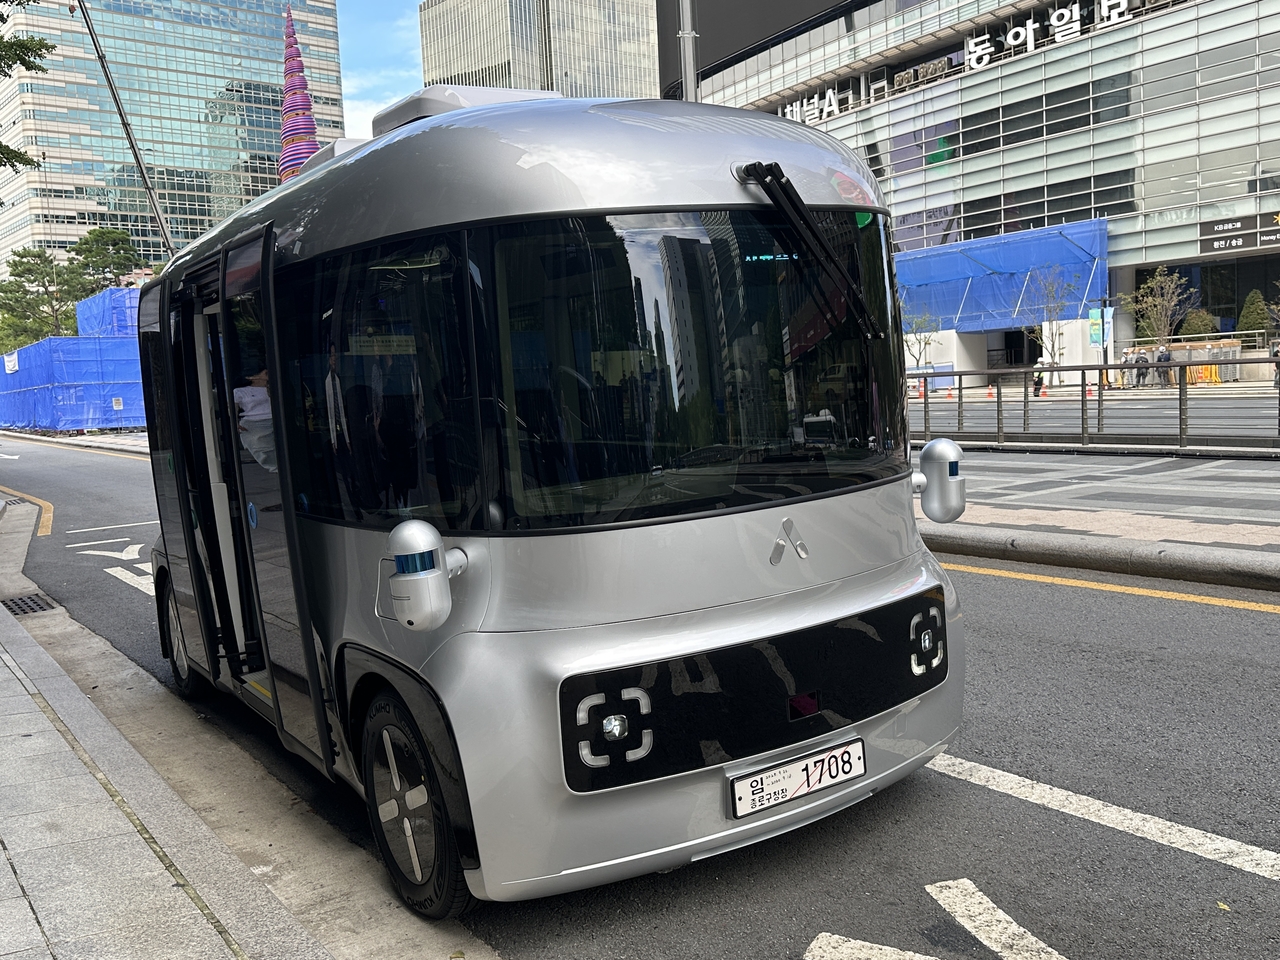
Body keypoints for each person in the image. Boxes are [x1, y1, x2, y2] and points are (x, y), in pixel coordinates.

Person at [233, 368, 277, 473]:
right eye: (264, 372)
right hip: (254, 423)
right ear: (251, 377)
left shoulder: (274, 387)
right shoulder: (240, 391)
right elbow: (232, 407)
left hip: (275, 419)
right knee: (265, 449)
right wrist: (234, 422)